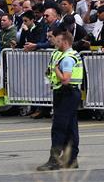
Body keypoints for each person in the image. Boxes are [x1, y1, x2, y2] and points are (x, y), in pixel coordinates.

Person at [37, 28, 83, 171]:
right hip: (70, 93)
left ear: (64, 42)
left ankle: (55, 160)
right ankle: (71, 159)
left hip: (66, 93)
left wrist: (56, 68)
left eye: (57, 40)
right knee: (70, 127)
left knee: (59, 127)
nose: (54, 43)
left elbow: (65, 79)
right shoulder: (71, 54)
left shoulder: (67, 58)